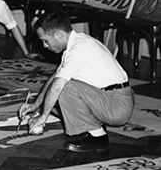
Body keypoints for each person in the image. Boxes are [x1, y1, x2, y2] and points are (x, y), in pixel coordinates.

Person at [19, 11, 134, 152]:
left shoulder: (79, 49)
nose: (44, 46)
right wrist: (36, 104)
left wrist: (43, 117)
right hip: (112, 98)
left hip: (117, 105)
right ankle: (93, 125)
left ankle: (97, 136)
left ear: (59, 35)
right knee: (54, 96)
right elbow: (56, 76)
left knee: (63, 88)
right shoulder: (77, 43)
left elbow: (57, 87)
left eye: (45, 40)